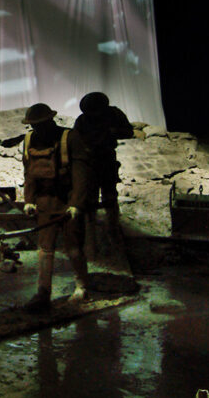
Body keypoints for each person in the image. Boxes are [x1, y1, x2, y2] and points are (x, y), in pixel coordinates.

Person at [20, 102, 93, 311]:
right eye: (34, 125)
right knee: (44, 249)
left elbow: (81, 174)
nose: (38, 128)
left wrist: (76, 204)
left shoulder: (69, 138)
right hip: (44, 202)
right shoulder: (29, 140)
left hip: (68, 200)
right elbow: (29, 173)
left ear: (50, 120)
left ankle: (82, 286)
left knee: (73, 247)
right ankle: (43, 293)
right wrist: (29, 200)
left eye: (41, 124)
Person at [72, 91, 135, 250]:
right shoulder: (83, 119)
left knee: (110, 196)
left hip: (106, 159)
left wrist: (112, 132)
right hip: (90, 162)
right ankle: (91, 232)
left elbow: (128, 131)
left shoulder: (113, 114)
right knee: (90, 197)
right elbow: (76, 139)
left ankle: (113, 229)